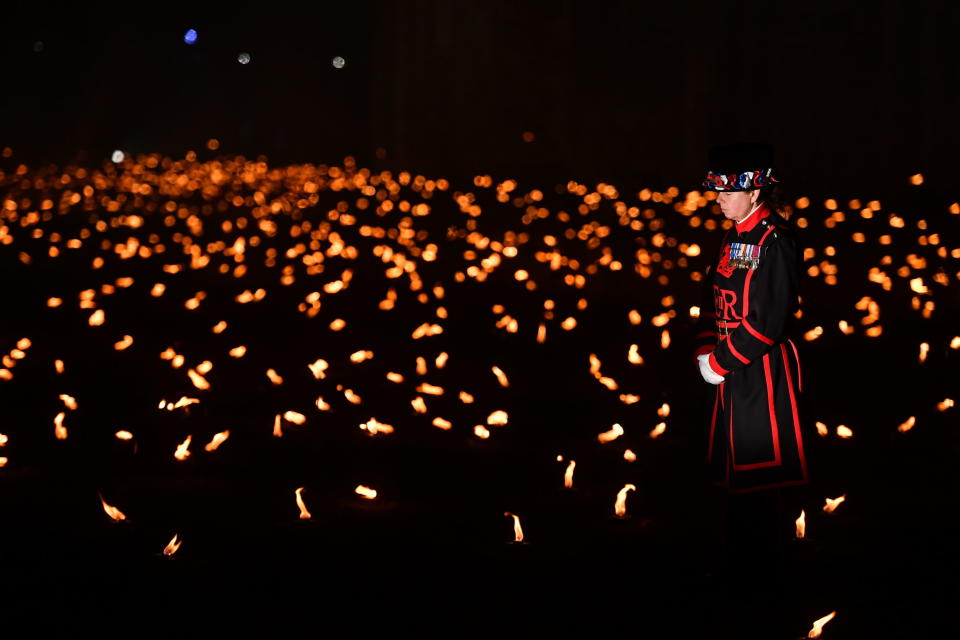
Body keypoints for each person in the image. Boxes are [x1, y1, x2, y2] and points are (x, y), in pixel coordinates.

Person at [692, 143, 809, 585]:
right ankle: (736, 567)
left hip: (761, 375)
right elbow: (713, 297)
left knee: (760, 481)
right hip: (728, 374)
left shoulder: (773, 240)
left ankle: (763, 577)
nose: (717, 198)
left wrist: (720, 362)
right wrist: (706, 349)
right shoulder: (735, 233)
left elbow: (768, 321)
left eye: (726, 191)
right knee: (730, 480)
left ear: (755, 192)